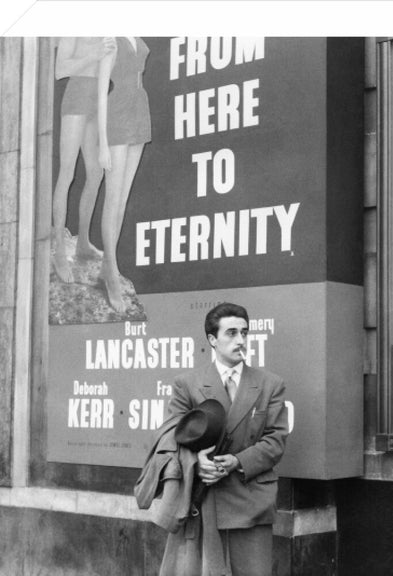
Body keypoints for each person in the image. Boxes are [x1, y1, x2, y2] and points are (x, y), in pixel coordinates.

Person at [167, 302, 289, 576]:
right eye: (231, 333)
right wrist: (197, 462)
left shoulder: (270, 384)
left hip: (251, 500)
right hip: (204, 500)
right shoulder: (188, 383)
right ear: (212, 339)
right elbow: (171, 438)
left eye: (244, 333)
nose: (240, 340)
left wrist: (237, 461)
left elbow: (276, 440)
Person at [52, 37, 115, 283]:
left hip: (99, 99)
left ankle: (83, 243)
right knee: (67, 172)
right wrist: (94, 55)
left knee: (96, 173)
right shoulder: (74, 29)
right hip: (77, 96)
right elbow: (60, 70)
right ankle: (59, 250)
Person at [97, 37, 151, 314]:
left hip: (139, 109)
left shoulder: (137, 36)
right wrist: (103, 143)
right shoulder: (111, 37)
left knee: (122, 200)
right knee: (112, 199)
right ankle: (112, 273)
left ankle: (108, 265)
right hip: (118, 112)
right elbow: (101, 90)